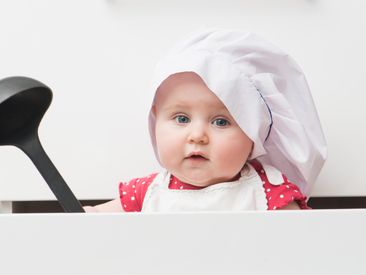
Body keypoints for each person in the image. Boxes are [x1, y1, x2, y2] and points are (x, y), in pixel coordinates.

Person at [84, 28, 327, 213]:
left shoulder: (269, 191)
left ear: (254, 134)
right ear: (155, 120)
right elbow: (87, 220)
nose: (197, 135)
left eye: (221, 122)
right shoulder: (145, 193)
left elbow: (300, 242)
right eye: (181, 118)